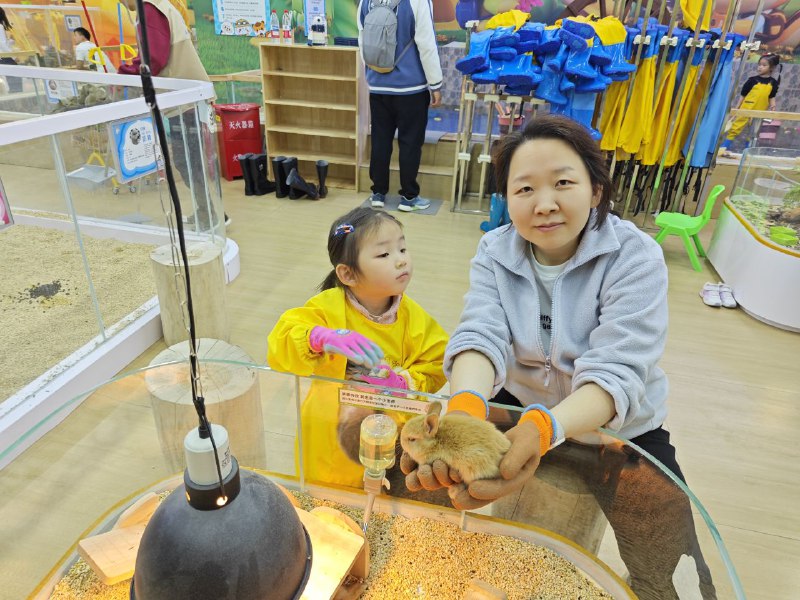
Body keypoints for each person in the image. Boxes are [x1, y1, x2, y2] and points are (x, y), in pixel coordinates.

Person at [401, 114, 716, 598]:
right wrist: (465, 407)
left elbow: (619, 369)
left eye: (563, 183)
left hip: (616, 424)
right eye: (524, 190)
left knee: (668, 549)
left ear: (595, 189)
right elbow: (481, 334)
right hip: (516, 399)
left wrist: (545, 428)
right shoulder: (494, 250)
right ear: (506, 199)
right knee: (410, 476)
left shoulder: (634, 255)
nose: (544, 205)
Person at [267, 207, 448, 488]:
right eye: (384, 254)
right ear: (348, 274)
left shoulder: (413, 318)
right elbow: (281, 342)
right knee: (327, 493)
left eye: (402, 248)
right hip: (328, 432)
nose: (401, 261)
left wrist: (403, 381)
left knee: (378, 488)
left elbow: (438, 361)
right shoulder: (327, 307)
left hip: (386, 434)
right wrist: (319, 337)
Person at [118, 0, 229, 228]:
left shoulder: (150, 9)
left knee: (189, 161)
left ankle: (211, 214)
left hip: (183, 100)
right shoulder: (159, 6)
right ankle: (208, 209)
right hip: (186, 98)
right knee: (193, 159)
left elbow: (153, 60)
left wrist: (124, 72)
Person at [357, 0, 443, 212]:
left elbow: (362, 43)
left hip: (378, 87)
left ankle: (378, 193)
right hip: (411, 88)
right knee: (410, 143)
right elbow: (426, 45)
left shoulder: (366, 2)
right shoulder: (418, 2)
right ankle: (409, 197)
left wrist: (374, 75)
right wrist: (436, 84)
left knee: (380, 140)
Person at [721, 53, 781, 154]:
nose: (760, 67)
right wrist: (737, 108)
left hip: (760, 110)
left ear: (772, 67)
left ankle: (748, 150)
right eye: (759, 64)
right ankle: (725, 146)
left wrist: (773, 107)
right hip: (746, 108)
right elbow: (743, 95)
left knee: (754, 130)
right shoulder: (752, 80)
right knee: (736, 126)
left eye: (764, 65)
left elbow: (772, 96)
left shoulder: (773, 83)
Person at [0, 7, 23, 93]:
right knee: (15, 79)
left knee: (10, 79)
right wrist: (14, 57)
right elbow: (3, 44)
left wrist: (11, 41)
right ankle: (17, 96)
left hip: (2, 57)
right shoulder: (0, 26)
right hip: (5, 57)